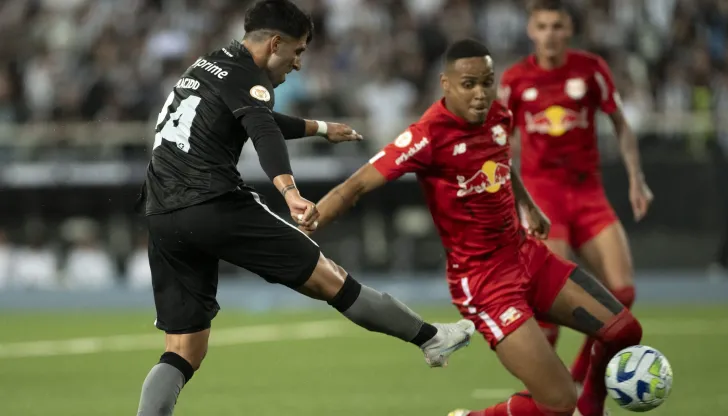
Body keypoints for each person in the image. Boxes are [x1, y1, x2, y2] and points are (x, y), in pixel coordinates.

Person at [134, 1, 474, 415]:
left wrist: (321, 128)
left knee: (183, 349)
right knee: (331, 279)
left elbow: (254, 115)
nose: (297, 64)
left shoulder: (210, 64)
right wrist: (290, 192)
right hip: (212, 202)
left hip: (161, 212)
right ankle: (431, 339)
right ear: (275, 43)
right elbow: (261, 129)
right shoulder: (252, 77)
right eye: (297, 52)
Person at [305, 39, 643, 416]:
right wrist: (307, 225)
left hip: (527, 257)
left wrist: (527, 203)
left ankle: (592, 406)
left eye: (487, 82)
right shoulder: (427, 136)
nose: (481, 94)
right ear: (445, 84)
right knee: (559, 403)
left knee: (624, 331)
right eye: (469, 84)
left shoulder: (499, 116)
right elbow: (354, 187)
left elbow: (500, 163)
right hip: (485, 284)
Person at [497, 0, 653, 386]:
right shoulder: (515, 79)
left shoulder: (591, 69)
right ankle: (548, 394)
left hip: (588, 195)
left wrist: (637, 177)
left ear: (569, 30)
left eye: (557, 26)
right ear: (531, 31)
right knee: (551, 307)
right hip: (543, 200)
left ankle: (579, 377)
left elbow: (620, 124)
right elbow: (499, 142)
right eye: (543, 26)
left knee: (622, 293)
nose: (550, 34)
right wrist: (511, 199)